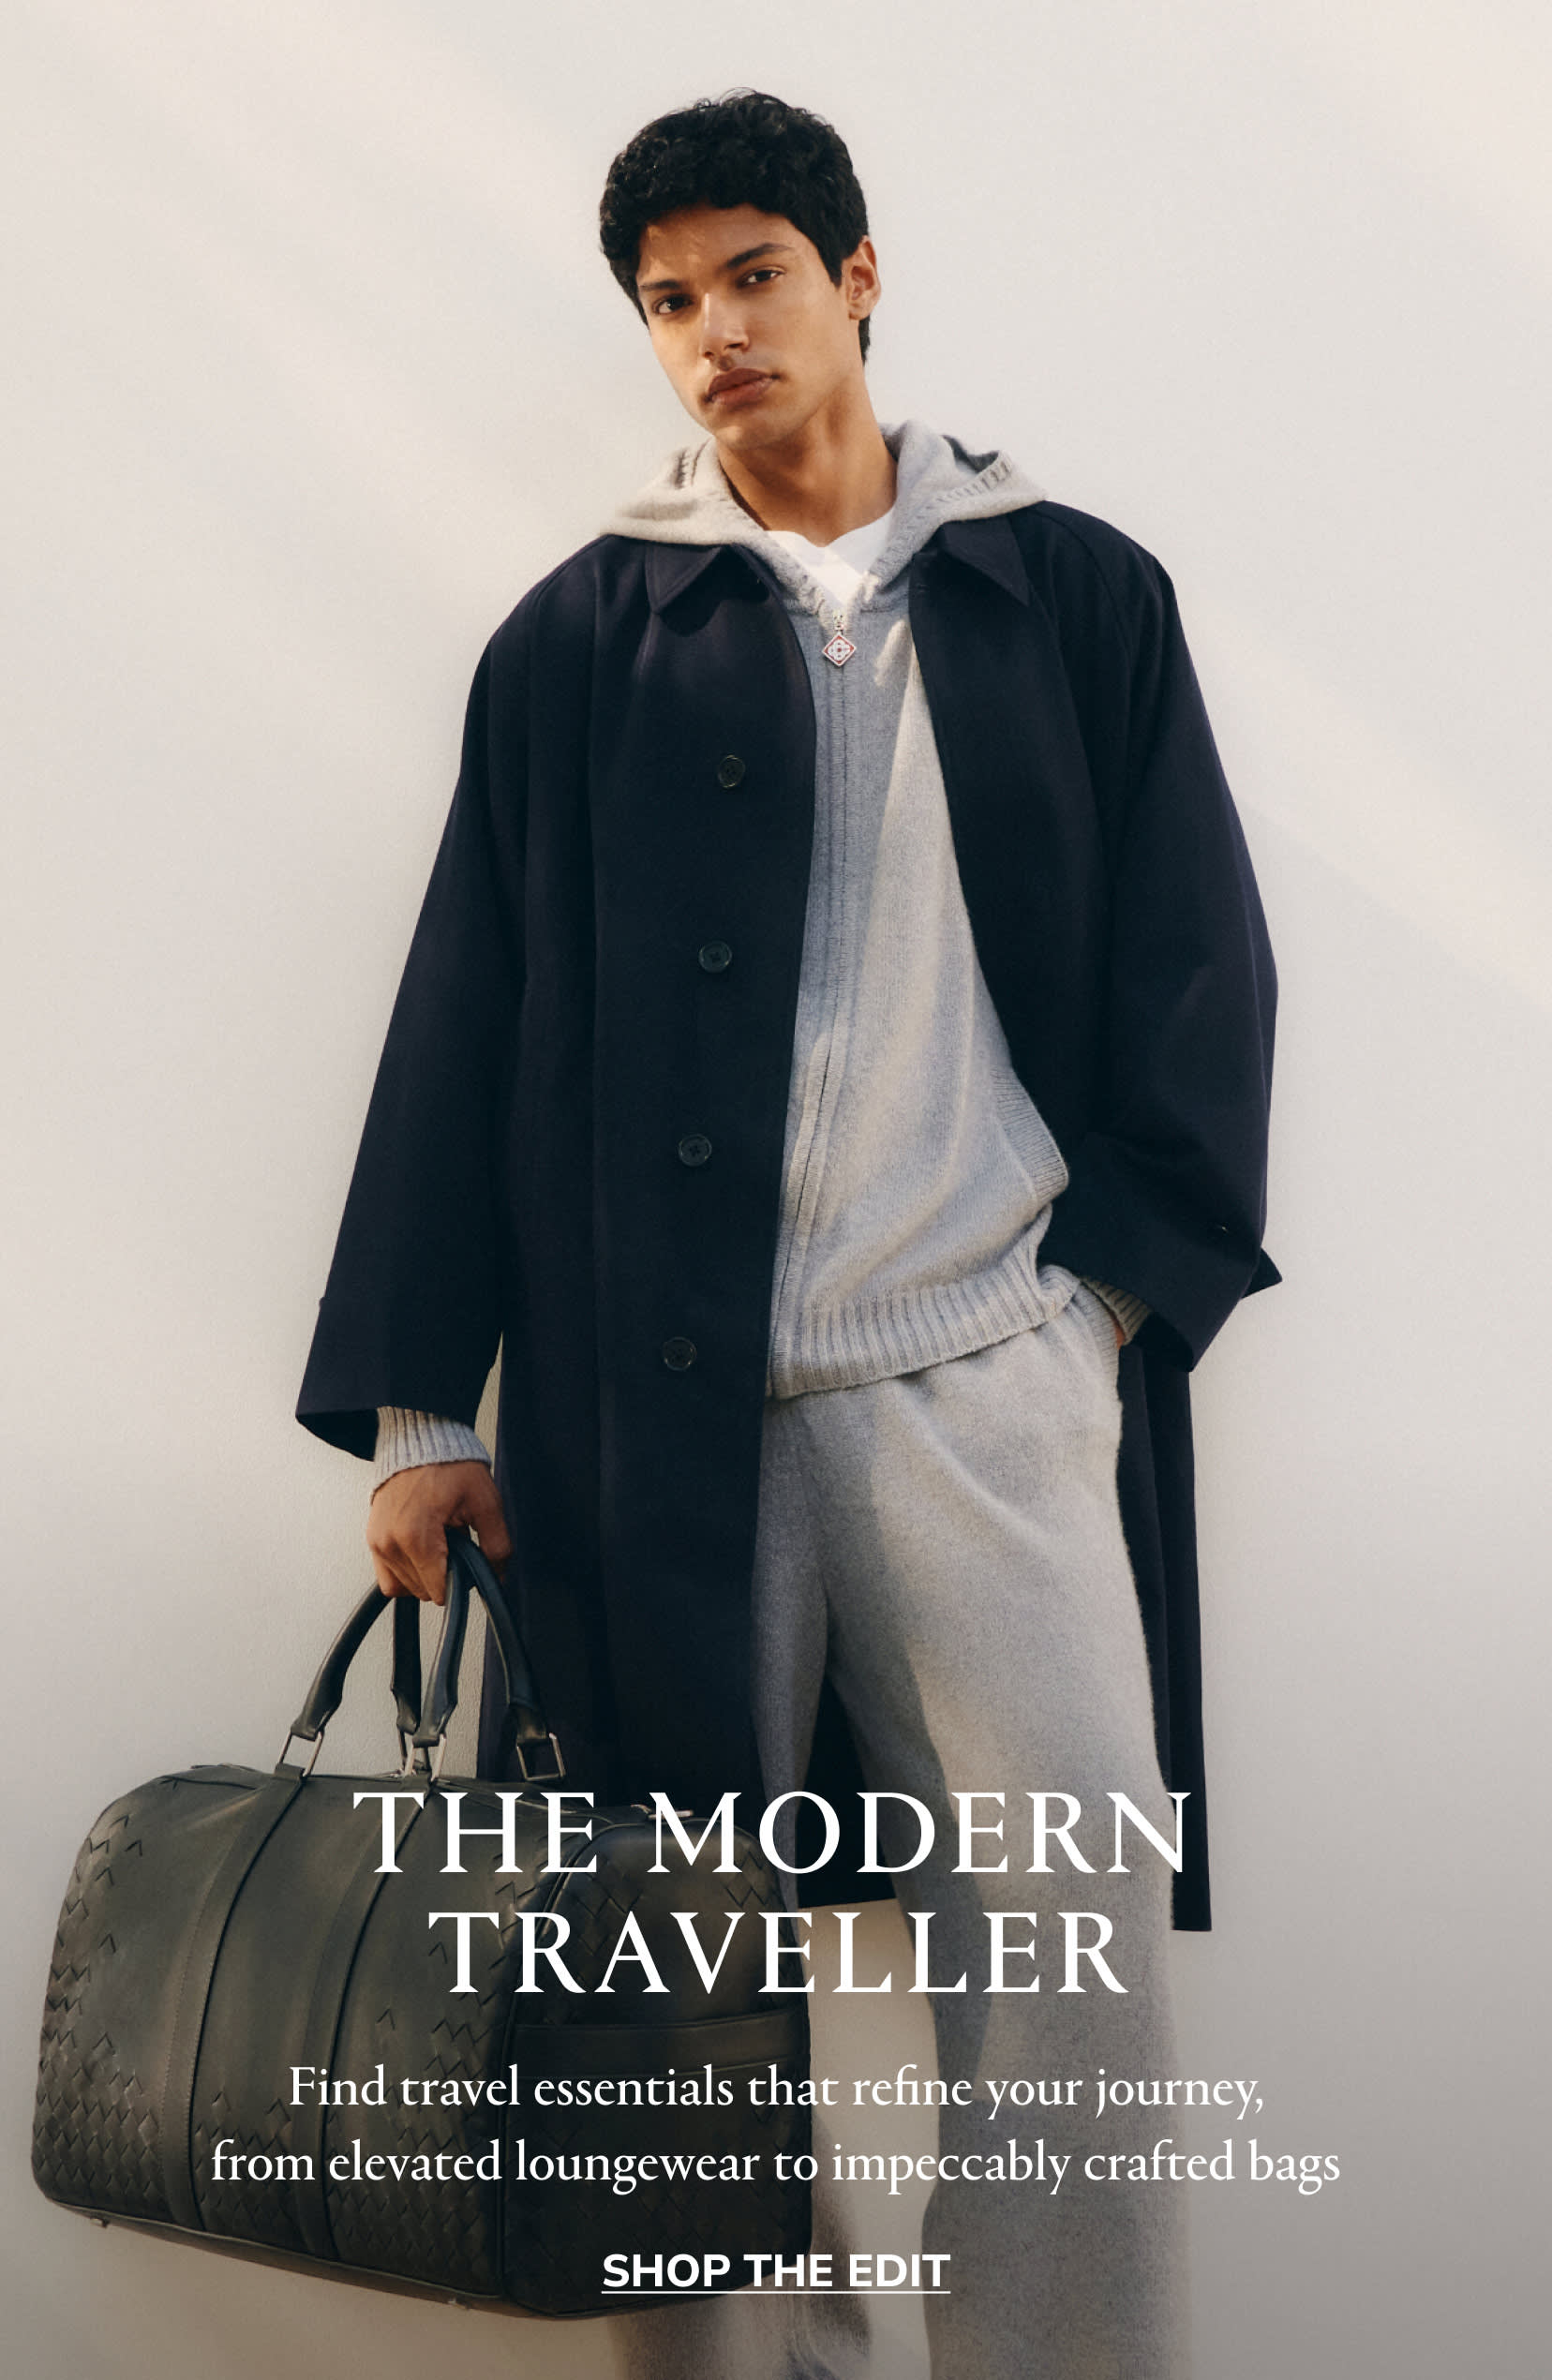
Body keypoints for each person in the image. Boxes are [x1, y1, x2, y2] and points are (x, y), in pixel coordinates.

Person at [298, 89, 1276, 2380]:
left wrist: (1096, 1316)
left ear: (856, 279)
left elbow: (1200, 974)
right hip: (658, 1428)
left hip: (987, 1391)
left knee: (1065, 1972)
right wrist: (426, 1414)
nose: (714, 330)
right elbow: (467, 1015)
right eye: (668, 300)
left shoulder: (1072, 597)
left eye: (753, 275)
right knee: (675, 1991)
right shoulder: (584, 640)